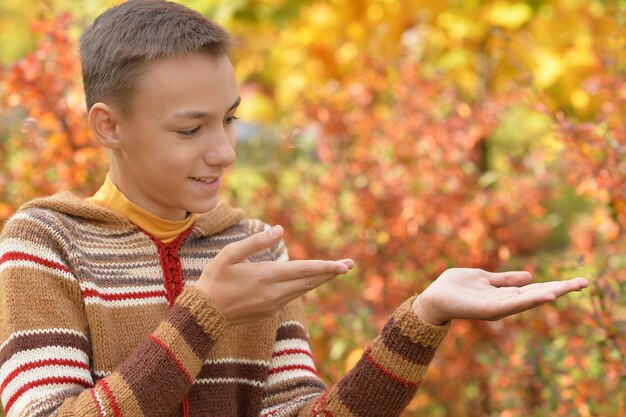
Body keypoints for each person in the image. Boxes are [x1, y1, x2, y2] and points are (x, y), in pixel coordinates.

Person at [0, 1, 589, 416]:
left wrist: (422, 320)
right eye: (190, 129)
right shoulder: (46, 242)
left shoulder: (251, 246)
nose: (225, 150)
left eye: (228, 118)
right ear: (109, 126)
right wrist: (202, 314)